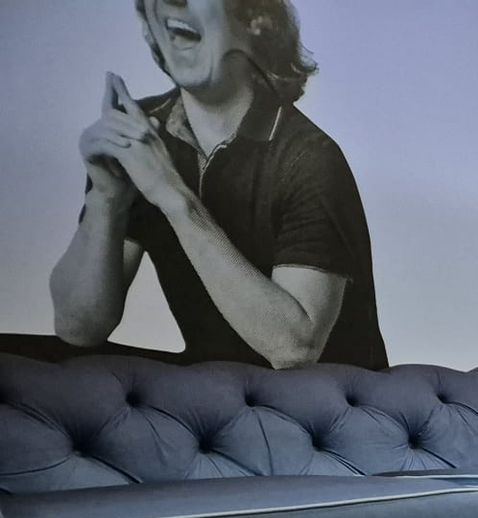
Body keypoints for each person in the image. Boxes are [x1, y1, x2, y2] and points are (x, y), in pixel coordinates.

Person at [50, 0, 387, 369]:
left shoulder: (310, 158)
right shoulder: (145, 135)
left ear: (256, 20)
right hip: (217, 392)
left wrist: (173, 195)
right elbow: (78, 328)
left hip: (327, 399)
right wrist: (106, 200)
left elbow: (295, 349)